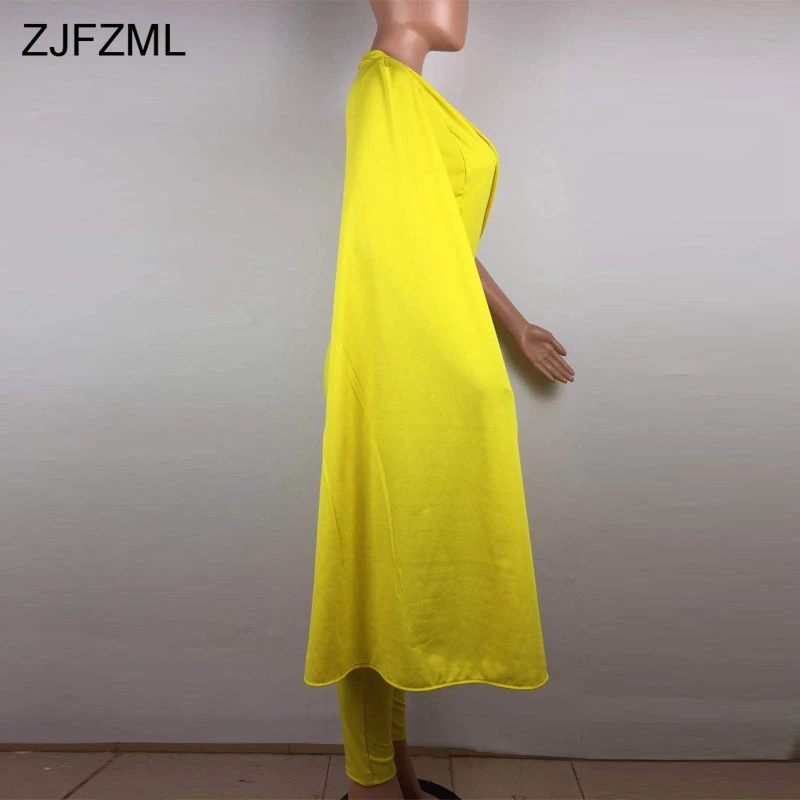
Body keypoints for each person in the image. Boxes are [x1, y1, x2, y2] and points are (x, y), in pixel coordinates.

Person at [304, 3, 574, 798]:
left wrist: (515, 326)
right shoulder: (385, 91)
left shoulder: (407, 93)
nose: (465, 7)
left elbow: (442, 242)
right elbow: (390, 256)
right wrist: (460, 366)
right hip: (407, 374)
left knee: (391, 569)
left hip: (422, 365)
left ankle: (398, 775)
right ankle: (370, 784)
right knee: (372, 568)